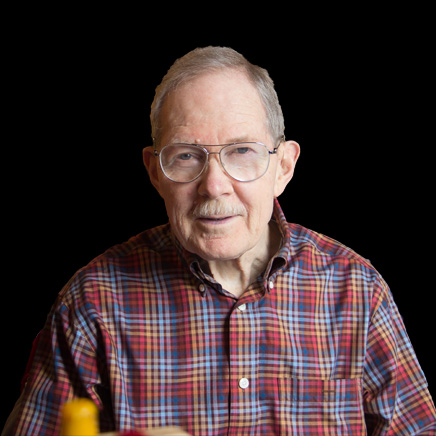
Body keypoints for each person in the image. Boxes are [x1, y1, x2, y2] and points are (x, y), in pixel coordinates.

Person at [3, 46, 435, 435]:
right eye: (186, 155)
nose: (213, 186)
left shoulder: (357, 290)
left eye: (242, 151)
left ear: (283, 167)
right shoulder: (92, 302)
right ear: (155, 173)